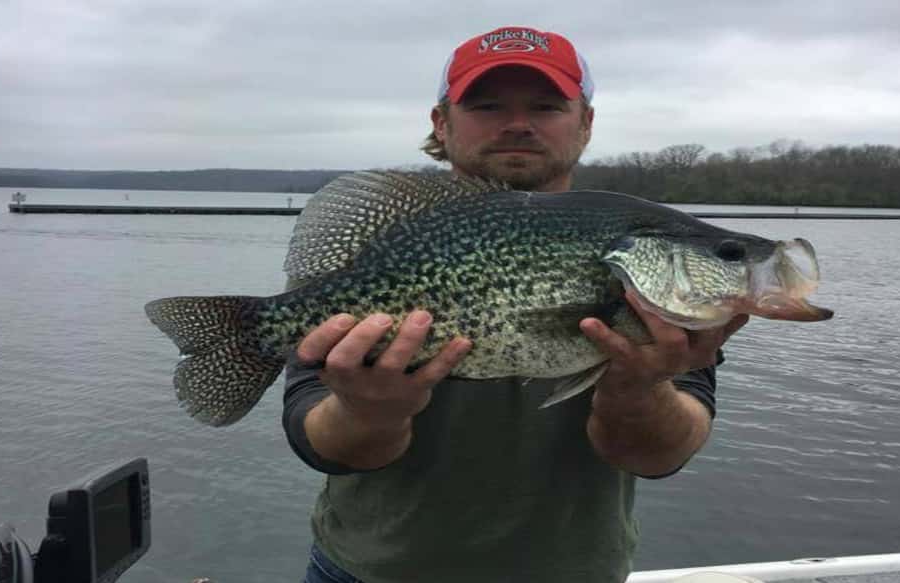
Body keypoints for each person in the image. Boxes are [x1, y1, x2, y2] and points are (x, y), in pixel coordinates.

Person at [283, 26, 748, 583]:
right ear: (441, 122)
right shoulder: (383, 242)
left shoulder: (653, 256)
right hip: (366, 572)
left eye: (547, 106)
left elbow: (657, 458)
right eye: (486, 105)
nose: (518, 123)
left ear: (586, 123)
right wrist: (368, 411)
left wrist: (639, 387)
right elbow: (317, 439)